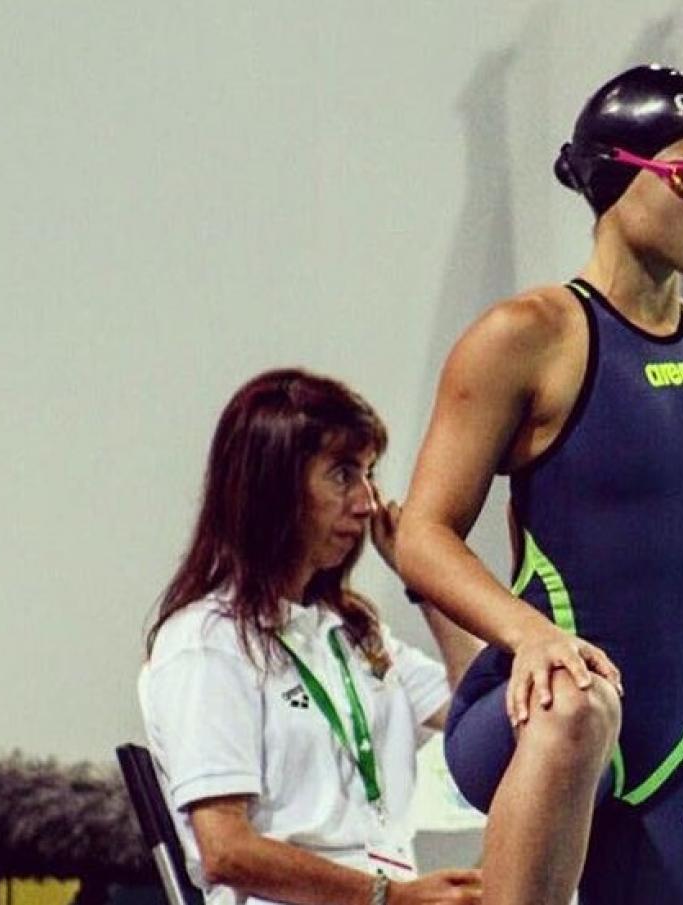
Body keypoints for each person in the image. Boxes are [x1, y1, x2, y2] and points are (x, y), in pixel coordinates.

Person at [396, 64, 683, 905]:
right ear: (614, 178)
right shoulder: (526, 338)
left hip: (679, 751)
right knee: (581, 707)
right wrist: (530, 636)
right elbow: (421, 533)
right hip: (531, 713)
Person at [138, 368, 483, 905]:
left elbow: (486, 715)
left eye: (369, 474)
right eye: (343, 475)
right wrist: (390, 898)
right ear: (272, 487)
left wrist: (425, 579)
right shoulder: (205, 642)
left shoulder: (352, 634)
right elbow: (226, 851)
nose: (368, 502)